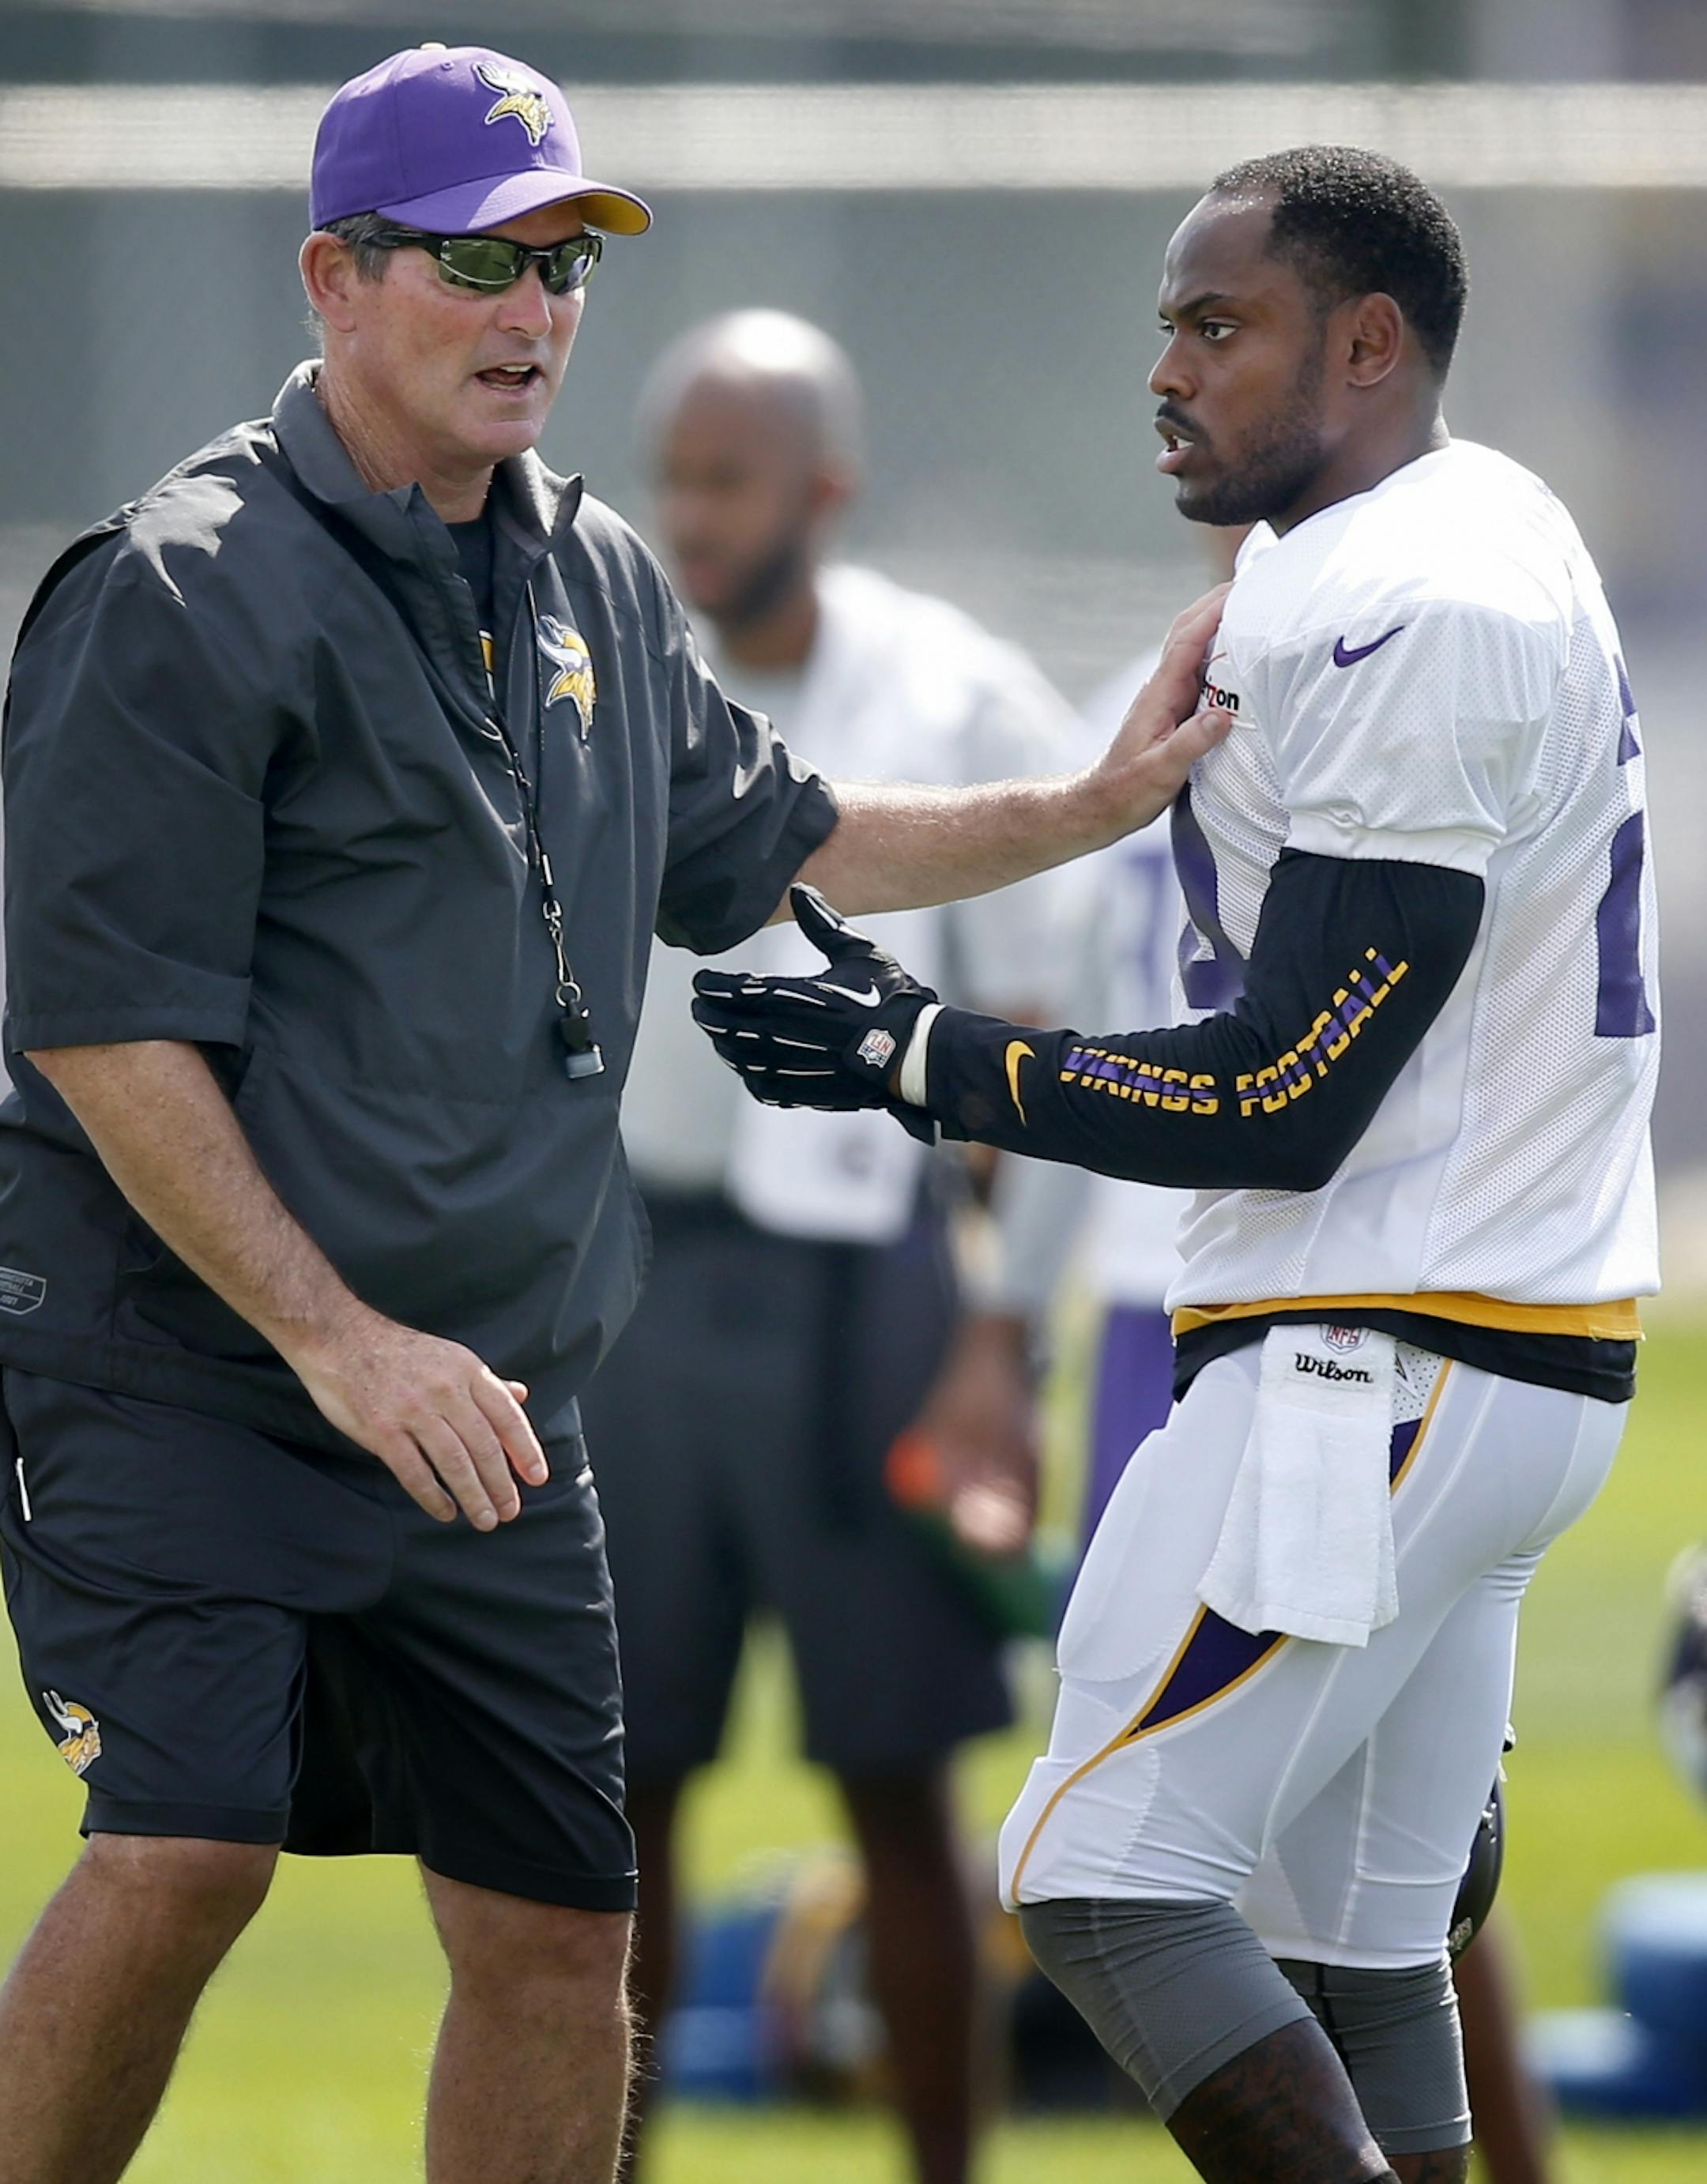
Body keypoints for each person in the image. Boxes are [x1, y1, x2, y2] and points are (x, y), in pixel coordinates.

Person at [0, 43, 1230, 2184]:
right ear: (334, 277)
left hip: (492, 1386)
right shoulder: (177, 590)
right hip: (188, 1360)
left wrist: (1093, 804)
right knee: (189, 1850)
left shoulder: (589, 574)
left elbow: (795, 839)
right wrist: (335, 1338)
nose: (536, 309)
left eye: (563, 259)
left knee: (566, 1933)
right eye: (480, 259)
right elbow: (103, 1032)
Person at [691, 145, 1657, 2184]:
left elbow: (1293, 1087)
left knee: (1095, 1872)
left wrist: (924, 1056)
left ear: (1371, 344)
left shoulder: (1418, 594)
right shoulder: (1417, 545)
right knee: (1351, 1940)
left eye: (1219, 326)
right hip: (1458, 1336)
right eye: (1164, 324)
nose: (1166, 370)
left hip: (1382, 1340)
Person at [581, 308, 1073, 2184]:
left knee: (896, 1783)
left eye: (729, 478)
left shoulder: (963, 695)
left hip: (881, 1290)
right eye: (673, 478)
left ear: (825, 489)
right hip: (636, 1287)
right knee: (613, 1797)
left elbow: (1045, 1048)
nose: (690, 516)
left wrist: (993, 1339)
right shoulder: (590, 688)